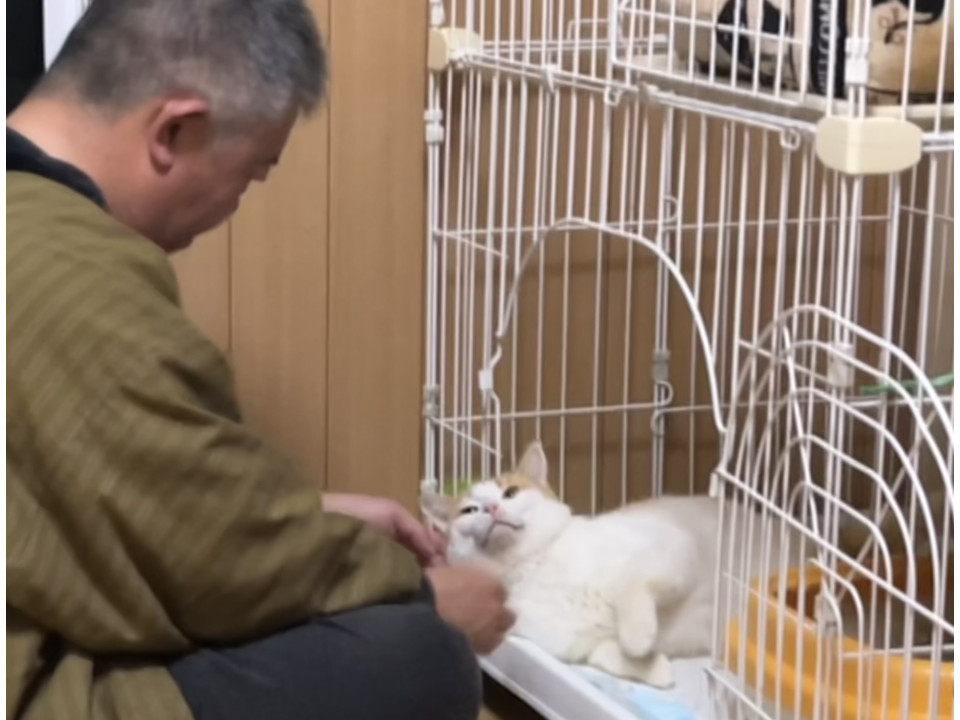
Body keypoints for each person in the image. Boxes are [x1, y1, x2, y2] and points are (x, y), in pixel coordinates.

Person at [6, 1, 515, 719]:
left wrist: (313, 513)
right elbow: (212, 565)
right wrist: (423, 596)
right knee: (414, 654)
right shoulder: (68, 271)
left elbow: (119, 496)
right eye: (249, 175)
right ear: (174, 131)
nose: (233, 206)